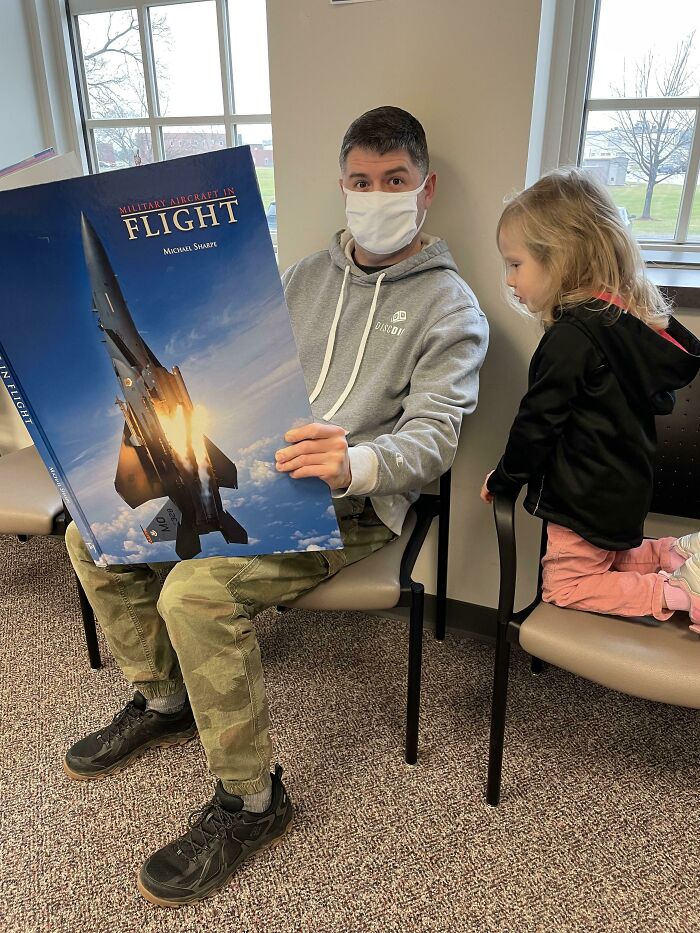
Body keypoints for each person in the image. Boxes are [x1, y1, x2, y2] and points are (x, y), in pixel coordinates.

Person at [64, 106, 489, 907]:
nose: (375, 196)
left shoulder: (451, 308)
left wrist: (355, 461)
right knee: (94, 541)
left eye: (394, 181)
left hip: (352, 502)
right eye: (360, 182)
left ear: (424, 189)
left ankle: (254, 802)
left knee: (193, 591)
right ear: (342, 187)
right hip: (253, 472)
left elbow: (435, 437)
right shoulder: (303, 276)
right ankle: (164, 696)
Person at [480, 167, 700, 633]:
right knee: (610, 557)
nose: (510, 280)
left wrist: (504, 479)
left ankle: (678, 590)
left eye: (515, 264)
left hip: (580, 497)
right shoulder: (623, 326)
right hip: (620, 492)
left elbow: (536, 424)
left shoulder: (571, 338)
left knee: (566, 585)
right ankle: (674, 554)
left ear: (561, 258)